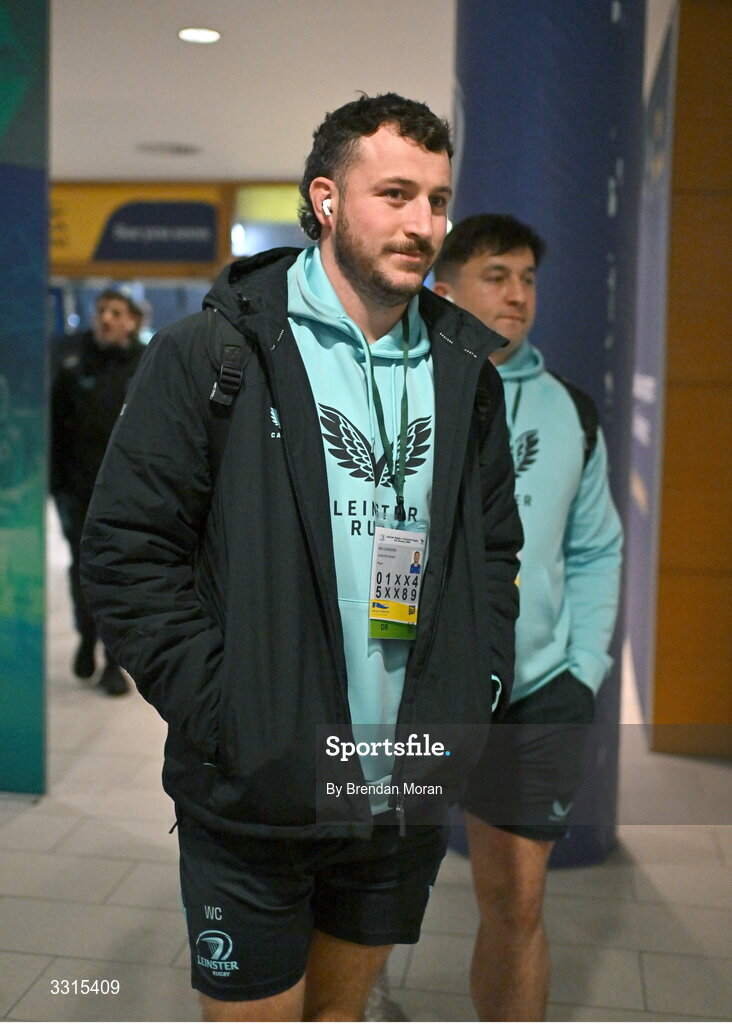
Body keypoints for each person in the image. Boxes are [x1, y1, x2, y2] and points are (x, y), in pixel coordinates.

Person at [80, 95, 522, 1022]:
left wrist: (471, 689)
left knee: (340, 1017)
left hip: (401, 779)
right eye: (394, 193)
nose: (423, 224)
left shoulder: (464, 376)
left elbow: (493, 549)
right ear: (325, 199)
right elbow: (128, 553)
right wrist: (232, 711)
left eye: (437, 200)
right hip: (258, 786)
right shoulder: (213, 351)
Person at [433, 213, 623, 1021]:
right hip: (413, 688)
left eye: (527, 278)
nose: (517, 294)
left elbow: (597, 548)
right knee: (354, 885)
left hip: (537, 693)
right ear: (445, 289)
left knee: (517, 902)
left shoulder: (570, 412)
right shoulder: (401, 391)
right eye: (495, 275)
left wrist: (582, 670)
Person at [50, 289, 144, 696]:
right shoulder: (73, 367)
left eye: (115, 312)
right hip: (78, 491)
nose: (106, 317)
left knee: (121, 575)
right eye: (101, 310)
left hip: (129, 495)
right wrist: (56, 488)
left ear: (132, 321)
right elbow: (57, 431)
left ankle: (111, 660)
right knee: (83, 570)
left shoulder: (147, 366)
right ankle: (87, 636)